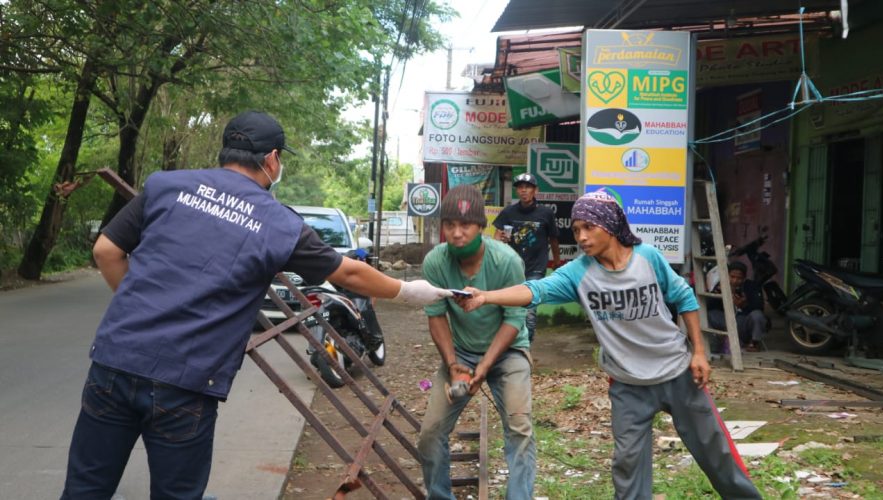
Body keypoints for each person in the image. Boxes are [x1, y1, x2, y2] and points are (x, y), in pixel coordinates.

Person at [61, 110, 452, 499]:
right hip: (186, 379)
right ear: (271, 160)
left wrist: (140, 307)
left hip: (115, 360)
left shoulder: (166, 186)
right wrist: (406, 291)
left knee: (85, 488)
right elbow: (347, 274)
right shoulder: (277, 222)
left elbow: (106, 250)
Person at [457, 189, 761, 500]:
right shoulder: (579, 272)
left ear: (611, 224)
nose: (582, 237)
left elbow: (684, 298)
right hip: (629, 386)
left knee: (716, 452)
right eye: (576, 230)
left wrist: (699, 352)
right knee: (628, 467)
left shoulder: (648, 258)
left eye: (589, 227)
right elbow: (536, 290)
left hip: (677, 372)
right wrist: (485, 296)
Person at [417, 184, 536, 500]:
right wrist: (454, 365)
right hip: (461, 354)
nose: (457, 233)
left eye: (465, 225)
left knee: (520, 429)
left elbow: (513, 319)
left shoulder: (506, 261)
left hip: (507, 352)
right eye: (450, 225)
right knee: (430, 433)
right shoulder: (435, 263)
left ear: (481, 227)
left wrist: (484, 367)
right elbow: (437, 316)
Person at [492, 173, 560, 341]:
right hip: (513, 267)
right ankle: (512, 343)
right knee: (512, 308)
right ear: (517, 192)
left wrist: (557, 261)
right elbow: (496, 237)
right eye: (520, 188)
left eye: (528, 187)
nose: (524, 191)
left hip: (536, 268)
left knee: (530, 310)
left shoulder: (546, 213)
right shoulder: (508, 212)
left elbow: (554, 239)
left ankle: (526, 347)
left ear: (535, 190)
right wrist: (501, 241)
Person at [708, 261, 769, 352]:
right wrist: (718, 294)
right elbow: (710, 306)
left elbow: (759, 307)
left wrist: (744, 305)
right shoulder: (721, 285)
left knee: (758, 315)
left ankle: (754, 343)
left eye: (739, 278)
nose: (735, 281)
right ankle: (719, 342)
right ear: (727, 275)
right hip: (726, 322)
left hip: (743, 323)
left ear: (744, 278)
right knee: (710, 314)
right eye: (732, 277)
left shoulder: (751, 286)